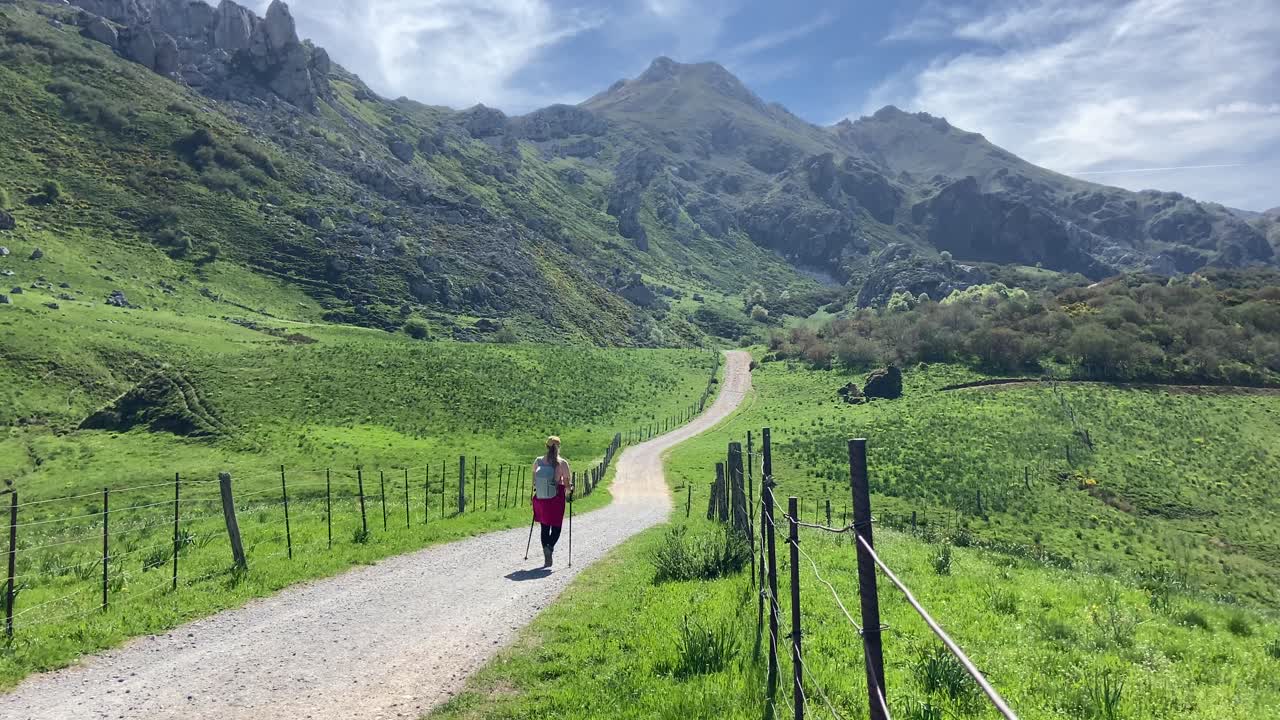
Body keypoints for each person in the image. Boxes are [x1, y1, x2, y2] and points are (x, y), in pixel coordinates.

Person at [532, 436, 572, 567]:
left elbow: (534, 481)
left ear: (546, 446)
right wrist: (570, 489)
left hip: (541, 497)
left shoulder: (538, 461)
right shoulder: (562, 463)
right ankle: (549, 547)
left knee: (544, 527)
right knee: (556, 527)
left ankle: (546, 551)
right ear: (559, 447)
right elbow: (566, 485)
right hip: (556, 497)